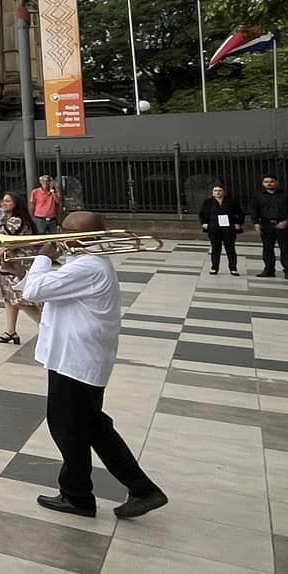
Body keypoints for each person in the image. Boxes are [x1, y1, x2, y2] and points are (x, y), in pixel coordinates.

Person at [15, 213, 168, 521]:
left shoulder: (88, 266)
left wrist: (43, 257)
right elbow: (42, 290)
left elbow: (35, 290)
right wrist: (18, 267)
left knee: (68, 427)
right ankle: (141, 489)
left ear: (83, 237)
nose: (58, 235)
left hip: (76, 360)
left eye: (64, 231)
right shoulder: (84, 262)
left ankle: (78, 495)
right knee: (93, 427)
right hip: (73, 357)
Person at [0, 191, 33, 345]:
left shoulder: (16, 220)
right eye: (3, 201)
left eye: (7, 201)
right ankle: (10, 332)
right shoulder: (10, 219)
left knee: (20, 301)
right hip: (9, 264)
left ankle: (47, 327)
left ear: (16, 204)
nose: (3, 203)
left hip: (18, 265)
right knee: (8, 299)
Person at [252, 174, 288, 279]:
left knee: (285, 248)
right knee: (267, 248)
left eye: (271, 181)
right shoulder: (258, 195)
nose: (269, 183)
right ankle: (269, 269)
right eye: (266, 181)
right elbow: (254, 210)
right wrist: (256, 223)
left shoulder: (286, 195)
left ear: (276, 182)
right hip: (266, 224)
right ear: (263, 183)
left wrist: (287, 220)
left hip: (282, 223)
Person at [199, 184, 243, 275]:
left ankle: (233, 268)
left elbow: (241, 213)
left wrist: (238, 223)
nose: (217, 192)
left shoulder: (231, 202)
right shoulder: (208, 202)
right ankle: (214, 267)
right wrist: (204, 223)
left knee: (230, 248)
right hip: (214, 227)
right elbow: (201, 214)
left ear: (224, 192)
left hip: (228, 228)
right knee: (215, 248)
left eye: (219, 190)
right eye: (215, 191)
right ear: (212, 193)